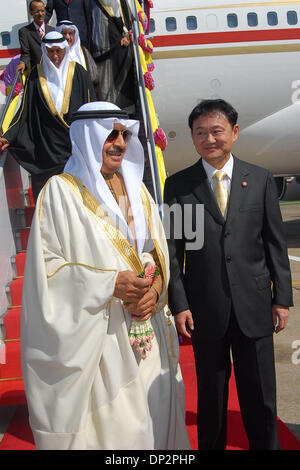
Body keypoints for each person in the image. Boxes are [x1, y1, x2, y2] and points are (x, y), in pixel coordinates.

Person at [20, 101, 191, 451]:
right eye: (110, 134)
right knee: (122, 431)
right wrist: (109, 284)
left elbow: (157, 247)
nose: (120, 143)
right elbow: (47, 271)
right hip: (101, 336)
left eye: (124, 134)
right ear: (87, 136)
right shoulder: (60, 192)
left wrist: (156, 287)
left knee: (158, 419)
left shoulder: (137, 189)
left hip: (149, 327)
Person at [163, 99, 293, 450]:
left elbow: (274, 245)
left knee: (261, 398)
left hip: (255, 307)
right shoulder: (179, 187)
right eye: (200, 133)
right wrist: (179, 305)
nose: (210, 139)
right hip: (206, 310)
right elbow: (175, 254)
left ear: (234, 132)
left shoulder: (261, 179)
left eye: (217, 131)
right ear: (192, 137)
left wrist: (281, 298)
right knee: (211, 398)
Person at [0, 32, 96, 202]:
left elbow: (91, 108)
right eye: (50, 51)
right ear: (44, 51)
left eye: (58, 51)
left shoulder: (79, 73)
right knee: (51, 201)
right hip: (47, 149)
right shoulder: (36, 76)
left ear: (65, 50)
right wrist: (9, 136)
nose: (55, 56)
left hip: (75, 148)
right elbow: (25, 112)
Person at [86, 0, 136, 114]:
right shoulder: (91, 3)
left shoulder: (123, 3)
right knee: (103, 86)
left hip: (118, 51)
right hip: (99, 53)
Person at [56, 20, 100, 97]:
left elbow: (94, 77)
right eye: (64, 33)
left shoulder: (83, 52)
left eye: (70, 33)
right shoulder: (54, 55)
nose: (67, 37)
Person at [16, 0, 55, 74]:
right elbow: (25, 53)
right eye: (37, 11)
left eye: (42, 11)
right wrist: (23, 63)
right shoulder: (24, 32)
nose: (40, 14)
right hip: (37, 74)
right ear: (30, 12)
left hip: (52, 72)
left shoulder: (53, 31)